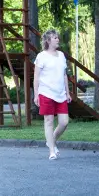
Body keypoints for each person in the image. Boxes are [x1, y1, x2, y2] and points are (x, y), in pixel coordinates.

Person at [34, 29, 72, 160]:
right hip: (45, 93)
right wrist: (36, 95)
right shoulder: (41, 56)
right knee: (49, 121)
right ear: (48, 41)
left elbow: (64, 75)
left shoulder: (61, 55)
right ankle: (52, 151)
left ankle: (51, 140)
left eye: (57, 37)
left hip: (60, 94)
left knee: (64, 122)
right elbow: (36, 77)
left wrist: (67, 92)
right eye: (55, 37)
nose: (57, 39)